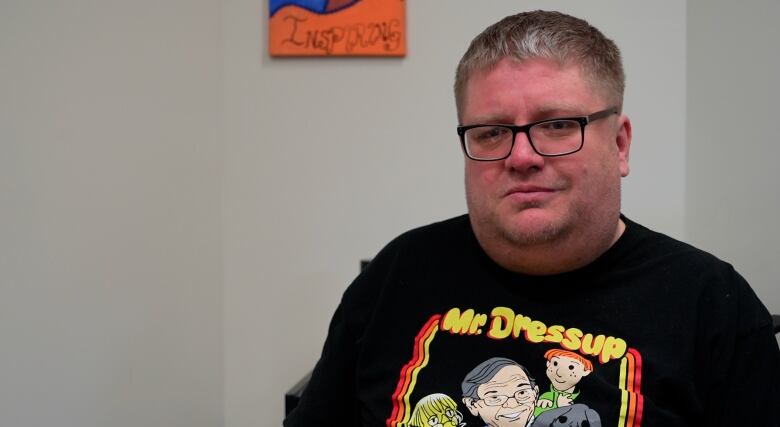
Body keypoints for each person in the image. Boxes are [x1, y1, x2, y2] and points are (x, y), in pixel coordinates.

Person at [283, 10, 780, 427]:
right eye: (491, 132)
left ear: (621, 143)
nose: (521, 156)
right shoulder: (398, 274)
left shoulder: (713, 304)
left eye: (558, 124)